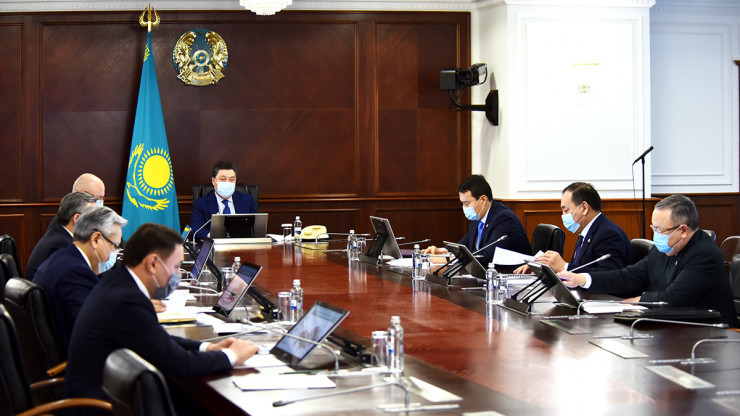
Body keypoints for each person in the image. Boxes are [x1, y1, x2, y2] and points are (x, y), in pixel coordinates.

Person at [63, 223, 257, 412]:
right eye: (176, 266)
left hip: (107, 398)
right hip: (97, 407)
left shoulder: (118, 282)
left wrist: (206, 347)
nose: (178, 274)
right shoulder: (126, 301)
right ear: (153, 263)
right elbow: (180, 364)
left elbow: (156, 339)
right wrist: (232, 356)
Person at [559, 194, 737, 326]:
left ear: (683, 230)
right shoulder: (664, 248)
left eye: (660, 230)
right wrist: (583, 279)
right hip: (673, 326)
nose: (656, 236)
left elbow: (672, 299)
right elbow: (630, 276)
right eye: (654, 229)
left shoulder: (704, 254)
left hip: (710, 332)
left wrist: (639, 300)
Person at [33, 206, 127, 350]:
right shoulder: (75, 272)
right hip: (75, 357)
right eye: (114, 246)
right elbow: (92, 327)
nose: (115, 253)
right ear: (96, 239)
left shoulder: (63, 258)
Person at [515, 182, 631, 274]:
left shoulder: (609, 234)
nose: (563, 216)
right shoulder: (585, 232)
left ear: (584, 208)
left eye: (566, 210)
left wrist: (564, 267)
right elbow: (580, 269)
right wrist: (545, 269)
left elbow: (609, 276)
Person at [423, 174, 530, 267]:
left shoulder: (504, 218)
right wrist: (442, 251)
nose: (464, 208)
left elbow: (487, 255)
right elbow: (462, 247)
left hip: (512, 275)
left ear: (483, 199)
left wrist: (448, 259)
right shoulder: (477, 218)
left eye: (467, 203)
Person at [26, 192, 98, 281]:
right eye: (93, 218)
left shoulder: (59, 233)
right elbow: (76, 279)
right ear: (77, 218)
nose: (97, 223)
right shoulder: (61, 244)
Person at [189, 161, 256, 240]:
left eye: (231, 180)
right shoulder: (201, 203)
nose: (227, 183)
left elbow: (256, 229)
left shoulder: (247, 200)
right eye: (223, 179)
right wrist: (214, 236)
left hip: (242, 244)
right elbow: (195, 231)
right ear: (213, 181)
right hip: (214, 244)